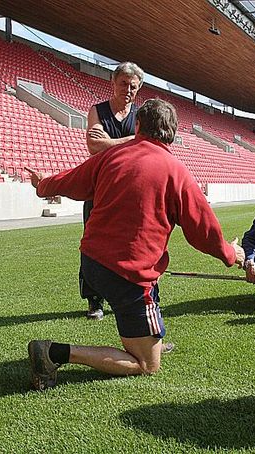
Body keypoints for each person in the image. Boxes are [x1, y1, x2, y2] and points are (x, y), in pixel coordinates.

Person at [25, 99, 245, 391]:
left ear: (138, 126)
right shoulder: (175, 171)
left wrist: (43, 185)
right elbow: (204, 231)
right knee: (146, 365)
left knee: (150, 292)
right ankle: (55, 352)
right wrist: (233, 254)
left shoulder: (113, 156)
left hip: (91, 263)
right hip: (128, 273)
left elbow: (72, 181)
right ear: (173, 133)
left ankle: (151, 338)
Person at [81, 61, 145, 320]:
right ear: (113, 83)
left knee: (129, 246)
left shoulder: (141, 115)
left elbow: (146, 145)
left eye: (133, 86)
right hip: (98, 190)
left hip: (129, 193)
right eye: (123, 84)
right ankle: (94, 301)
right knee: (93, 246)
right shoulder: (97, 111)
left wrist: (109, 142)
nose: (127, 90)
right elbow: (94, 147)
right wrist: (131, 141)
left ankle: (123, 297)